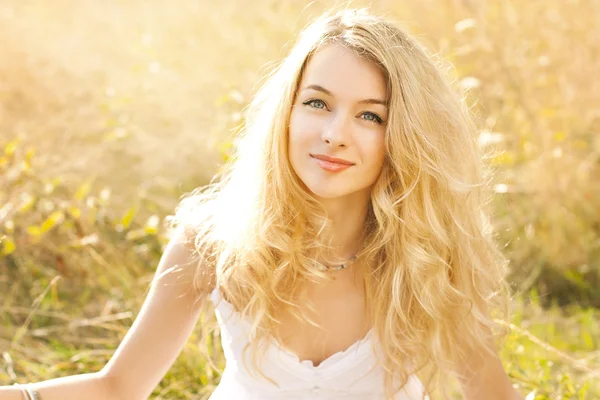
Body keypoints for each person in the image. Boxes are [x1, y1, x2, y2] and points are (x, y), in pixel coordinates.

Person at [0, 7, 524, 400]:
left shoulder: (427, 259)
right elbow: (117, 387)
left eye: (371, 116)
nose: (335, 134)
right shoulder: (213, 241)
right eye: (317, 103)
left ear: (406, 135)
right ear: (287, 114)